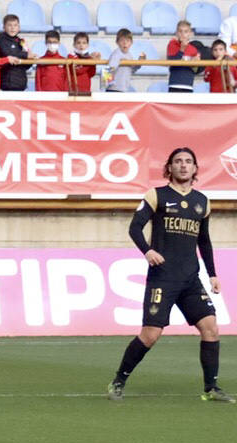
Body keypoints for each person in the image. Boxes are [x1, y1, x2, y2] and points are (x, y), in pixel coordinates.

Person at [107, 148, 231, 402]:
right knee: (150, 335)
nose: (183, 166)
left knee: (211, 328)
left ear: (195, 168)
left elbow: (204, 241)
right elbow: (135, 227)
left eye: (188, 162)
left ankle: (211, 388)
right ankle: (118, 380)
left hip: (190, 279)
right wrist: (148, 251)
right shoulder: (157, 195)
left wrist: (213, 274)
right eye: (178, 162)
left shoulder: (202, 202)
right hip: (163, 277)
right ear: (170, 167)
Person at [0, 13, 31, 91]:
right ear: (4, 27)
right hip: (7, 83)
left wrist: (31, 59)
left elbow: (26, 65)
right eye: (9, 25)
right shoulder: (1, 39)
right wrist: (26, 55)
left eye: (15, 25)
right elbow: (8, 54)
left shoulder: (21, 41)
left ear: (19, 27)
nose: (12, 28)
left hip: (21, 82)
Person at [166, 20, 202, 92]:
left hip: (188, 85)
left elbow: (196, 70)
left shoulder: (193, 49)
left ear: (190, 34)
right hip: (174, 84)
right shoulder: (172, 45)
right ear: (176, 33)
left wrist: (196, 62)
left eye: (186, 31)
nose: (183, 34)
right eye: (180, 31)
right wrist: (182, 49)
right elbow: (172, 63)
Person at [104, 27, 144, 92]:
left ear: (131, 43)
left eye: (127, 41)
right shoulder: (116, 54)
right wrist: (105, 86)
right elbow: (108, 70)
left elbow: (131, 70)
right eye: (122, 40)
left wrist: (139, 63)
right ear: (117, 42)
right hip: (114, 89)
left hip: (123, 88)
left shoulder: (129, 55)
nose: (125, 43)